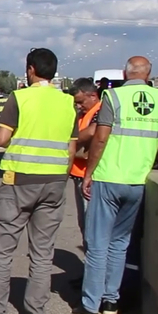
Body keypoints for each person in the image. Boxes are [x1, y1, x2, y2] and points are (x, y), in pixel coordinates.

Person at [0, 48, 78, 314]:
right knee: (43, 253)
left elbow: (0, 139)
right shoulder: (67, 102)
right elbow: (71, 147)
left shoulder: (19, 97)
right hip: (55, 182)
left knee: (2, 251)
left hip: (19, 182)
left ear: (31, 69)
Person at [75, 56, 158, 314]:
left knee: (97, 243)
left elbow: (101, 137)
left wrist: (90, 173)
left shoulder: (113, 97)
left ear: (124, 73)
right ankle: (110, 302)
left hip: (109, 177)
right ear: (149, 73)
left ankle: (90, 305)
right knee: (120, 243)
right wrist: (157, 163)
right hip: (138, 180)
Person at [68, 78, 102, 251]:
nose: (79, 106)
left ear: (93, 96)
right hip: (78, 173)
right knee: (83, 224)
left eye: (81, 102)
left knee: (91, 226)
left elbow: (93, 131)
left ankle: (92, 273)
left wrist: (71, 141)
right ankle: (88, 271)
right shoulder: (83, 114)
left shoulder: (101, 110)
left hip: (90, 176)